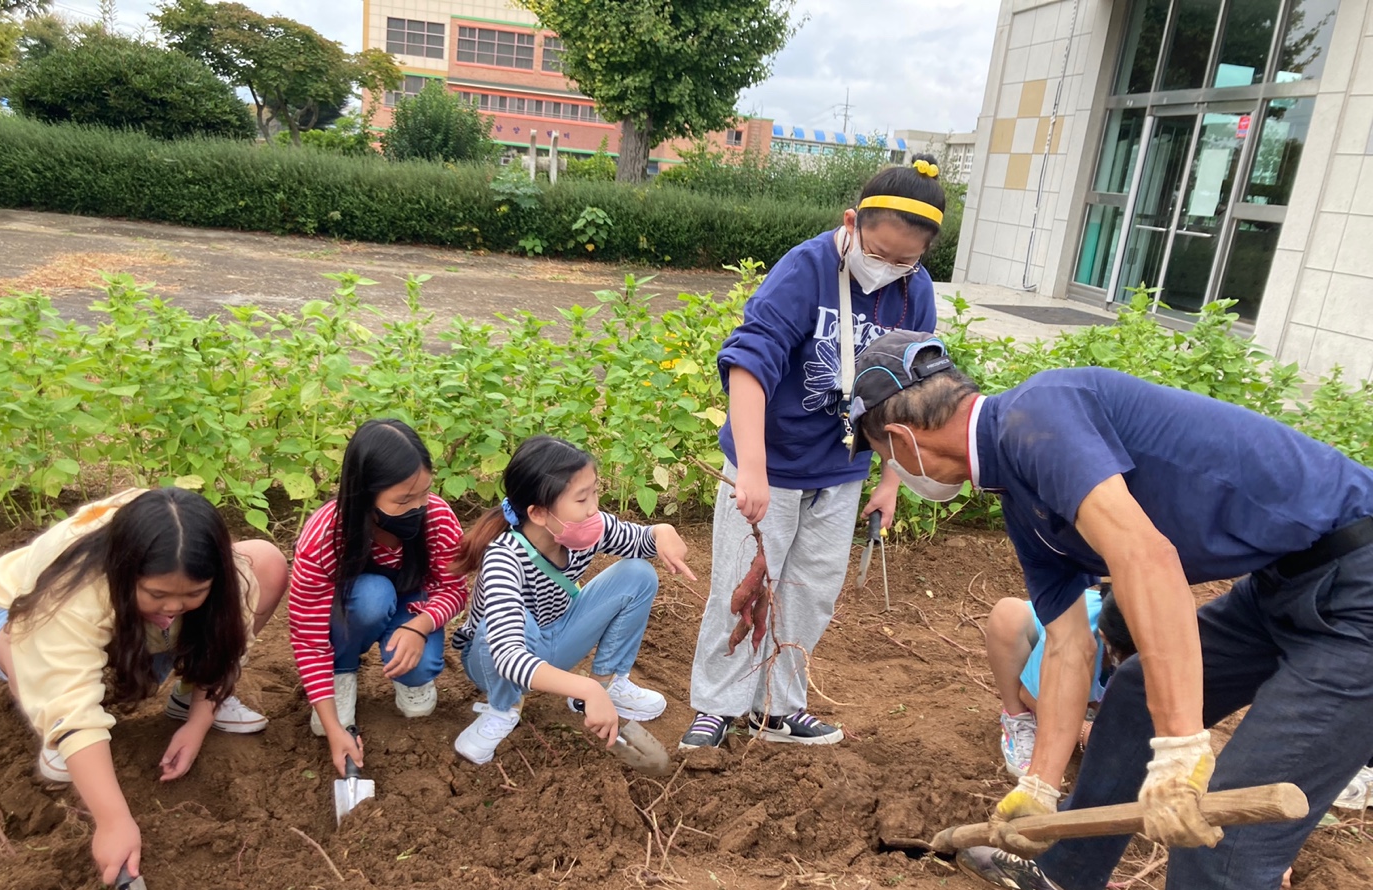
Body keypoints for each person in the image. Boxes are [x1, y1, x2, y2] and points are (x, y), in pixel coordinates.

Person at [848, 333, 1373, 890]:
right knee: (1129, 696)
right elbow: (1066, 643)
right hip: (1281, 582)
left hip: (1359, 584)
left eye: (881, 457)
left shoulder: (1041, 415)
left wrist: (1184, 749)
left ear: (899, 437)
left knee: (1222, 837)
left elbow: (1148, 559)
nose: (890, 470)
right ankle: (1067, 877)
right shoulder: (1021, 493)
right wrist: (1039, 784)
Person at [679, 157, 946, 751]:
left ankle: (776, 707)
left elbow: (909, 393)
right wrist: (752, 468)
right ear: (851, 222)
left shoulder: (915, 291)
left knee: (810, 590)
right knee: (741, 585)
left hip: (842, 468)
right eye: (879, 251)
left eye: (905, 260)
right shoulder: (806, 268)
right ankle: (718, 707)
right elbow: (750, 362)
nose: (889, 268)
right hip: (769, 464)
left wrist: (891, 480)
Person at [0, 487, 288, 884]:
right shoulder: (73, 589)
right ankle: (55, 738)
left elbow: (226, 641)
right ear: (124, 570)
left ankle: (184, 697)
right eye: (157, 593)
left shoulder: (219, 575)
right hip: (21, 617)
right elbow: (70, 697)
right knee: (21, 645)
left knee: (266, 560)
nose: (174, 606)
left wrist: (197, 723)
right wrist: (113, 821)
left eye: (194, 593)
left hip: (136, 627)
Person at [449, 435, 695, 765]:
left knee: (638, 574)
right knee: (518, 622)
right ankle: (502, 709)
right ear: (537, 513)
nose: (594, 508)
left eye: (595, 491)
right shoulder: (503, 559)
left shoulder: (586, 530)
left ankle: (609, 683)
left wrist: (662, 531)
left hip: (556, 639)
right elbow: (507, 655)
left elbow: (642, 542)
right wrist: (584, 690)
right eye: (582, 499)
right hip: (494, 661)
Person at [289, 419, 468, 774]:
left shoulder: (437, 518)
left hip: (411, 604)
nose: (419, 506)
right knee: (373, 595)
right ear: (365, 493)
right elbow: (308, 638)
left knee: (419, 671)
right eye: (403, 500)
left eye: (424, 493)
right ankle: (342, 674)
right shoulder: (325, 536)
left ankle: (411, 680)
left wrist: (420, 626)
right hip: (351, 611)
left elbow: (454, 591)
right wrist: (332, 725)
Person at [986, 584, 1135, 776]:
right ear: (1106, 638)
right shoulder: (1075, 631)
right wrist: (1085, 731)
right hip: (1036, 681)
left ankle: (1085, 709)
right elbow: (1029, 695)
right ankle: (1019, 721)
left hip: (1095, 670)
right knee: (1008, 615)